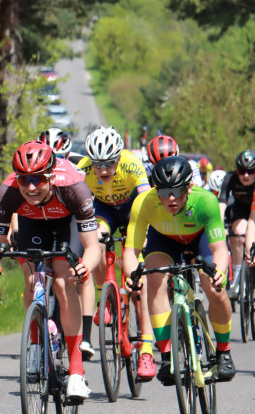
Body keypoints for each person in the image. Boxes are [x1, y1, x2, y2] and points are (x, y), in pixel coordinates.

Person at [0, 139, 99, 401]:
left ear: (51, 177)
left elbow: (93, 248)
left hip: (66, 224)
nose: (31, 187)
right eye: (24, 180)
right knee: (32, 277)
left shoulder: (73, 188)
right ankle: (35, 345)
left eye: (38, 180)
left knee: (63, 281)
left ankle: (77, 372)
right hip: (32, 224)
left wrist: (83, 267)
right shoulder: (8, 192)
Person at [123, 157, 234, 383]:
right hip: (164, 241)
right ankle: (166, 356)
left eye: (177, 191)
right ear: (156, 191)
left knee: (213, 288)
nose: (171, 198)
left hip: (199, 238)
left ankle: (223, 352)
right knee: (154, 278)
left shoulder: (205, 201)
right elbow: (131, 251)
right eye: (164, 192)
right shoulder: (144, 203)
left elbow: (220, 249)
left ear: (189, 187)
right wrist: (132, 277)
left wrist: (219, 274)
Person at [74, 127, 157, 379]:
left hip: (134, 209)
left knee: (138, 284)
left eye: (109, 164)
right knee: (96, 244)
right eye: (98, 164)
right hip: (105, 210)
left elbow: (146, 202)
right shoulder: (83, 169)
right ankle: (105, 296)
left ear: (119, 157)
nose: (102, 171)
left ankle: (146, 350)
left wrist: (143, 238)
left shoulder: (133, 165)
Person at [218, 150, 255, 297]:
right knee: (239, 234)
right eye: (242, 171)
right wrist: (219, 226)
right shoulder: (230, 178)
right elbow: (222, 202)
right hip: (240, 210)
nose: (245, 176)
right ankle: (239, 277)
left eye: (251, 171)